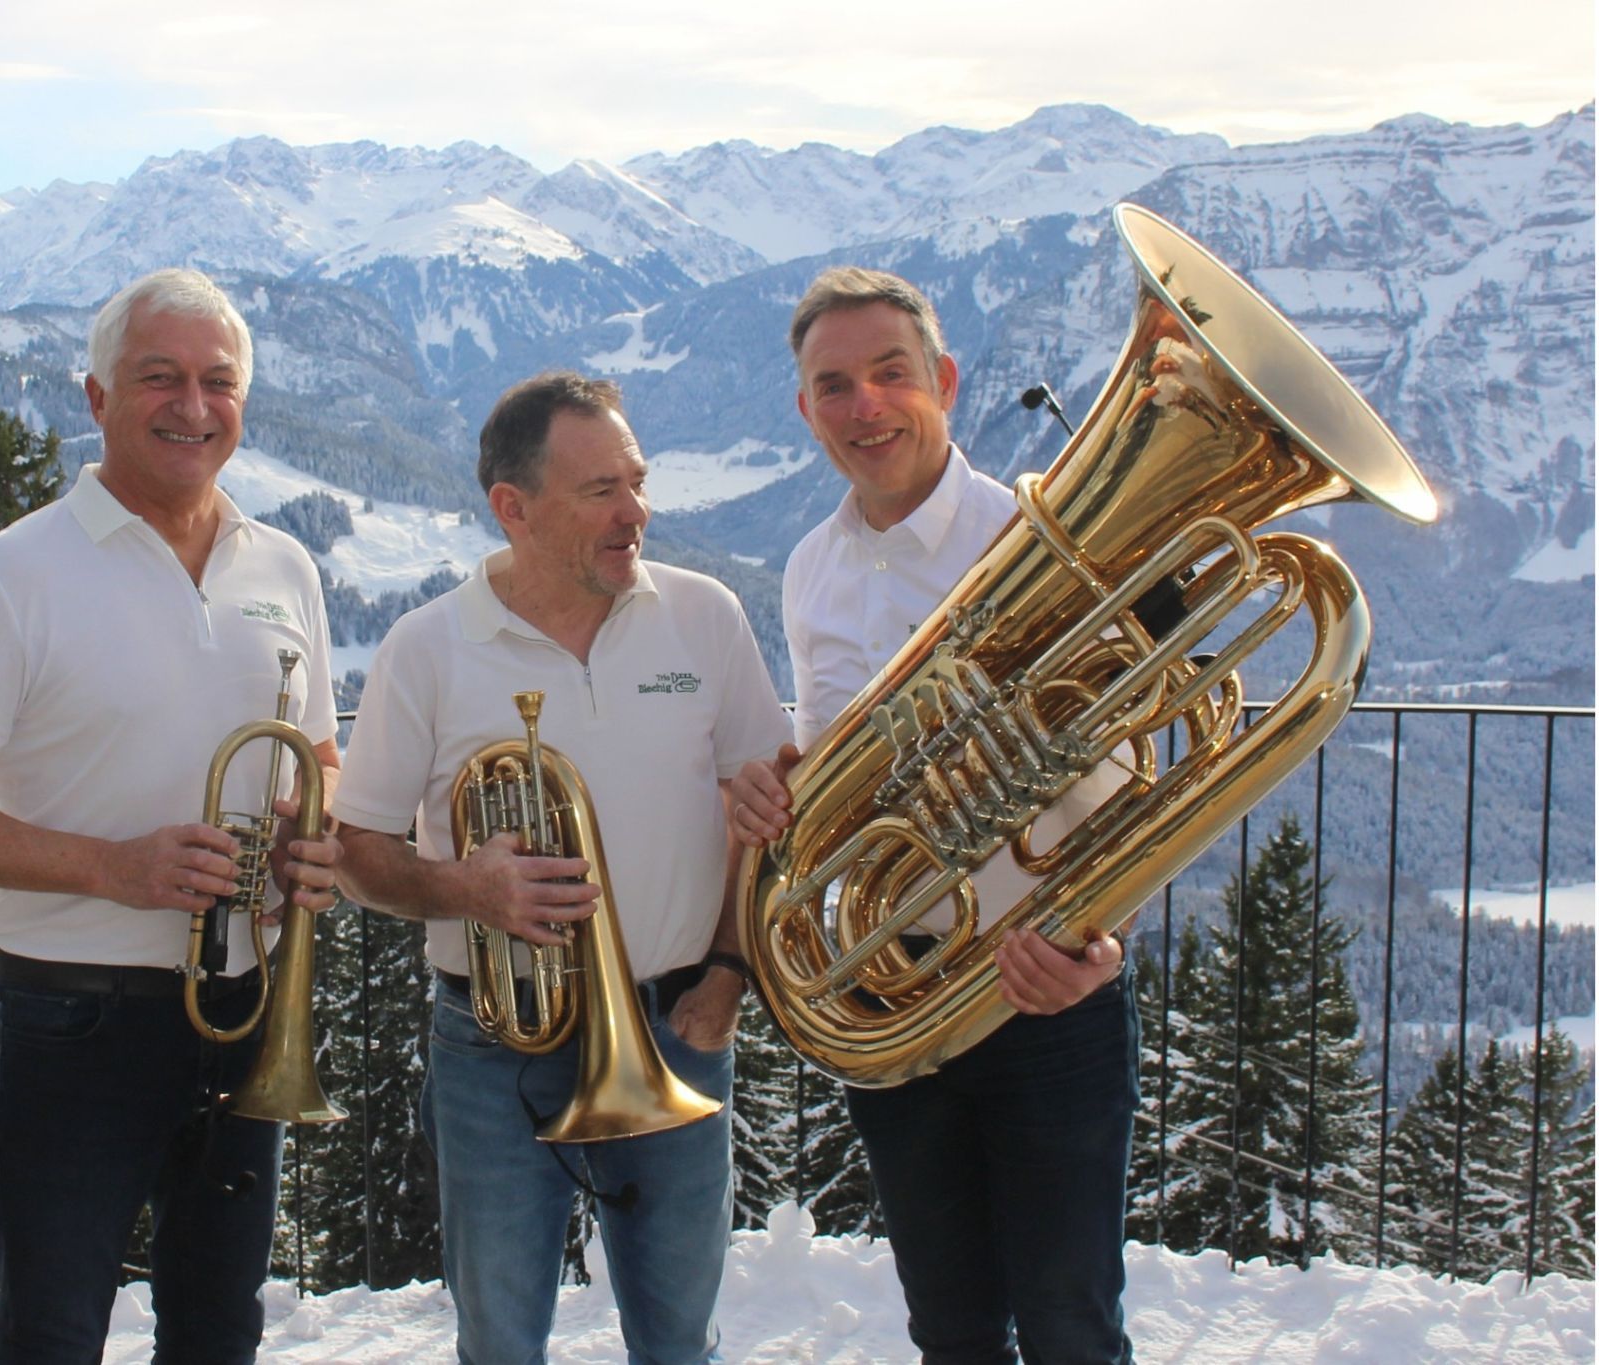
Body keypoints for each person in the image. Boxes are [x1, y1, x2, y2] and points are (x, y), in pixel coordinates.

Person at [0, 268, 342, 1365]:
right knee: (55, 1329)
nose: (192, 406)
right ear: (96, 398)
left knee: (221, 1326)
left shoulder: (285, 567)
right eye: (158, 378)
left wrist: (313, 828)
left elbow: (316, 748)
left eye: (218, 382)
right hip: (76, 1014)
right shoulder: (10, 577)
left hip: (246, 990)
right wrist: (109, 868)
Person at [332, 372, 792, 1365]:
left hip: (676, 1027)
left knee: (678, 1341)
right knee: (499, 1341)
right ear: (513, 508)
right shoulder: (426, 648)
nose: (636, 514)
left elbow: (764, 813)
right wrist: (464, 887)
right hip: (495, 1045)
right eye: (600, 493)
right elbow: (356, 853)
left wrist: (729, 970)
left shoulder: (701, 620)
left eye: (636, 481)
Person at [728, 267, 1140, 1364]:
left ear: (944, 382)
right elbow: (838, 766)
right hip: (895, 988)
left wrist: (1103, 941)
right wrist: (787, 785)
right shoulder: (810, 569)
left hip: (1040, 982)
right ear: (804, 409)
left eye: (889, 374)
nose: (864, 406)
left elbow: (1136, 768)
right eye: (833, 385)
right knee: (948, 1329)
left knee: (1069, 1327)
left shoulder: (1036, 538)